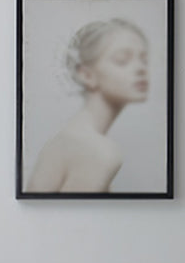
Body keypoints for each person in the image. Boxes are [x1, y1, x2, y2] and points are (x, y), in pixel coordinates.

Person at [27, 18, 149, 193]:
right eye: (122, 60)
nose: (141, 69)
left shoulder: (68, 140)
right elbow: (76, 220)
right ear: (86, 75)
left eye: (144, 60)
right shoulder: (98, 151)